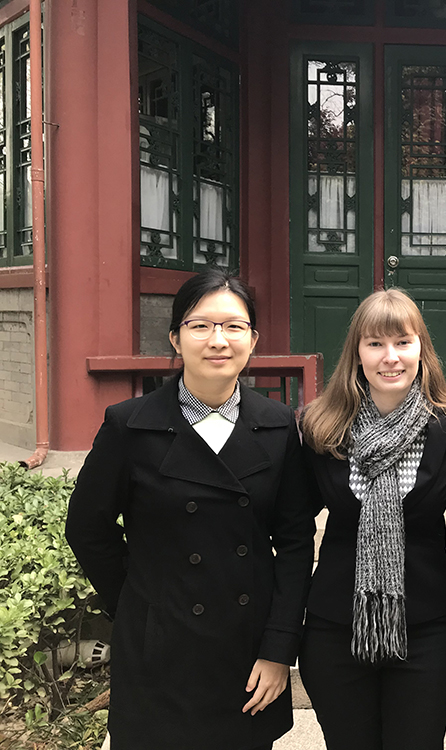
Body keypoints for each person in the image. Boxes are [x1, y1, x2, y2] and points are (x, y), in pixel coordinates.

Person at [65, 271, 315, 750]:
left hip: (248, 653)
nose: (218, 340)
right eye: (200, 326)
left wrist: (279, 649)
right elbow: (87, 527)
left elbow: (295, 542)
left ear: (253, 340)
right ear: (176, 338)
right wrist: (139, 603)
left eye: (234, 326)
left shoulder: (279, 425)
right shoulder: (130, 425)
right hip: (158, 649)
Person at [298, 288, 446, 750]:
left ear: (421, 349)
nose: (390, 357)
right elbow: (290, 526)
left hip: (425, 632)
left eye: (403, 342)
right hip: (335, 633)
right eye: (375, 343)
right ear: (357, 352)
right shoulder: (321, 428)